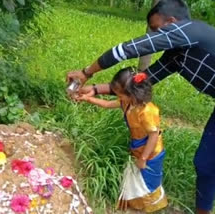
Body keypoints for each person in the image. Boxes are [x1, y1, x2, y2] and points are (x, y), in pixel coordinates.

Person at [66, 0, 215, 213]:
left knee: (207, 163)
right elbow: (142, 81)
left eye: (156, 29)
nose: (155, 35)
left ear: (172, 22)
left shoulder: (191, 31)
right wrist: (96, 89)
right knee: (205, 164)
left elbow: (128, 49)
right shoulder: (177, 54)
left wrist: (86, 72)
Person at [77, 67, 167, 212]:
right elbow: (107, 104)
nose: (118, 97)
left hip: (151, 151)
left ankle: (152, 205)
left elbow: (153, 135)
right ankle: (136, 203)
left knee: (148, 179)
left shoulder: (147, 112)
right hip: (137, 145)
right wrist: (87, 98)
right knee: (136, 175)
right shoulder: (127, 102)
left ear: (132, 94)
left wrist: (144, 158)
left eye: (120, 94)